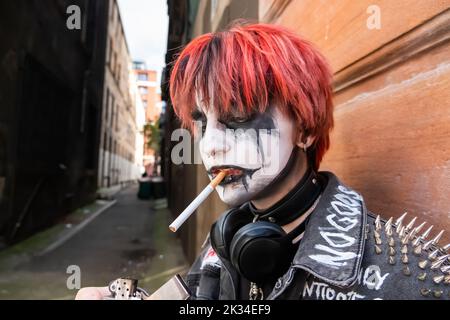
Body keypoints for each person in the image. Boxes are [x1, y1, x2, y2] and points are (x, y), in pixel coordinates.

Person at [77, 22, 449, 300]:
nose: (210, 147)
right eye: (202, 122)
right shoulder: (225, 241)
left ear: (304, 129)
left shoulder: (410, 277)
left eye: (237, 117)